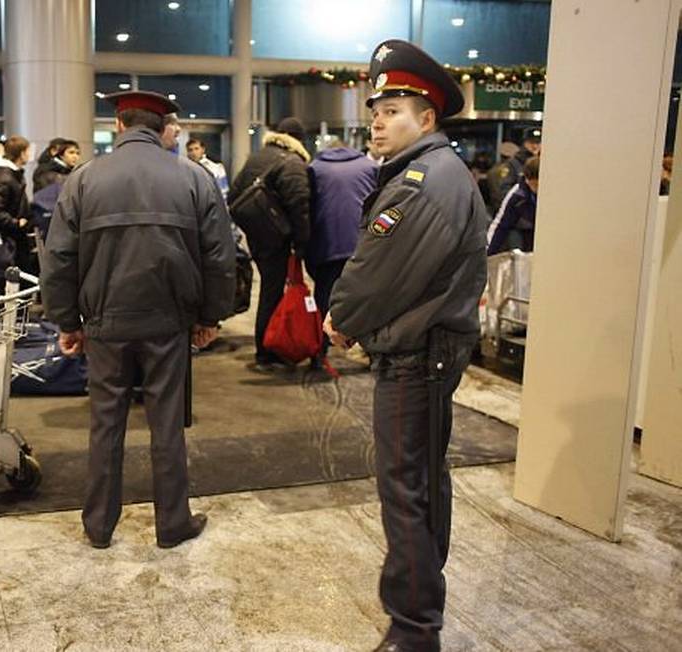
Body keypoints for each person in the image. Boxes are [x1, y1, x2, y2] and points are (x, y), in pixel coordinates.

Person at [323, 40, 488, 652]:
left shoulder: (423, 180)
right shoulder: (433, 173)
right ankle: (422, 599)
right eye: (376, 109)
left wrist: (340, 317)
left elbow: (378, 272)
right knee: (421, 479)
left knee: (405, 487)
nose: (379, 119)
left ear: (427, 118)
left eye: (394, 109)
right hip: (427, 349)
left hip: (417, 355)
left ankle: (415, 627)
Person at [41, 90, 235, 549]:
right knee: (166, 422)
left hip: (105, 322)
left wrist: (68, 322)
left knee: (105, 422)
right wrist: (210, 316)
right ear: (162, 126)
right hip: (169, 322)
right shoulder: (194, 177)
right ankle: (172, 524)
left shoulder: (84, 178)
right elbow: (219, 257)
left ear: (120, 125)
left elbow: (59, 258)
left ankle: (99, 526)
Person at [227, 116, 311, 372]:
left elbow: (234, 196)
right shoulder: (292, 162)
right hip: (277, 238)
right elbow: (300, 204)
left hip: (259, 235)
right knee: (272, 294)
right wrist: (302, 242)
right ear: (298, 139)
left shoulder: (258, 156)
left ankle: (269, 346)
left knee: (269, 290)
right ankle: (267, 351)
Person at [305, 139, 376, 366]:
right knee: (364, 298)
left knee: (324, 296)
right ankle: (372, 352)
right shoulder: (369, 166)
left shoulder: (315, 168)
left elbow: (308, 206)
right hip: (361, 245)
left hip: (326, 243)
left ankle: (319, 353)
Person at [0, 135, 34, 287]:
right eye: (28, 151)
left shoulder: (11, 174)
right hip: (8, 240)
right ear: (22, 153)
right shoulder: (5, 177)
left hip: (12, 239)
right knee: (3, 286)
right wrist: (16, 223)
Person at [487, 156, 539, 255]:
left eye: (536, 185)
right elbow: (500, 225)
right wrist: (486, 255)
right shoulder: (518, 194)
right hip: (526, 235)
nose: (533, 189)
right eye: (530, 184)